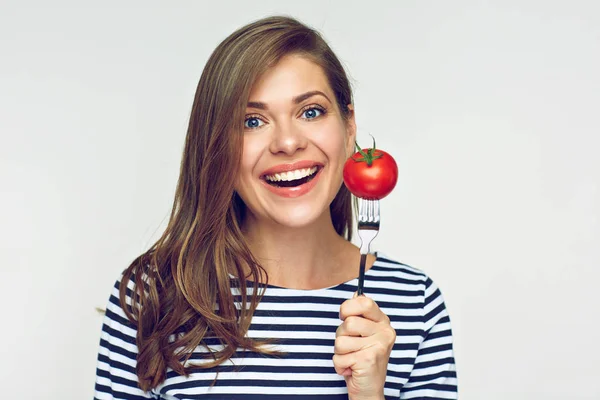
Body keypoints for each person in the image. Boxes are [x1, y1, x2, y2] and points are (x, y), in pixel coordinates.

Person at [94, 16, 458, 400]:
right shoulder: (153, 295)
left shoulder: (414, 301)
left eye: (311, 111)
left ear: (349, 124)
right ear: (217, 147)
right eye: (252, 121)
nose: (287, 142)